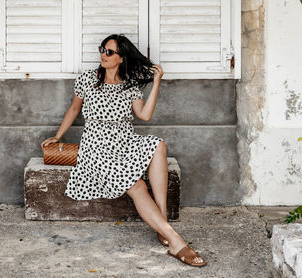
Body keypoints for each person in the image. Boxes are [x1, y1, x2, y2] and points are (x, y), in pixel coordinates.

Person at [41, 34, 207, 267]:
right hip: (96, 146)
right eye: (102, 49)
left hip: (124, 142)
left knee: (158, 144)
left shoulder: (130, 85)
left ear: (121, 58)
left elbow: (145, 115)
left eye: (109, 52)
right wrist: (58, 136)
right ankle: (176, 242)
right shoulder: (87, 79)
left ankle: (162, 222)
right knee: (137, 184)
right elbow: (74, 108)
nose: (103, 55)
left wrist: (157, 83)